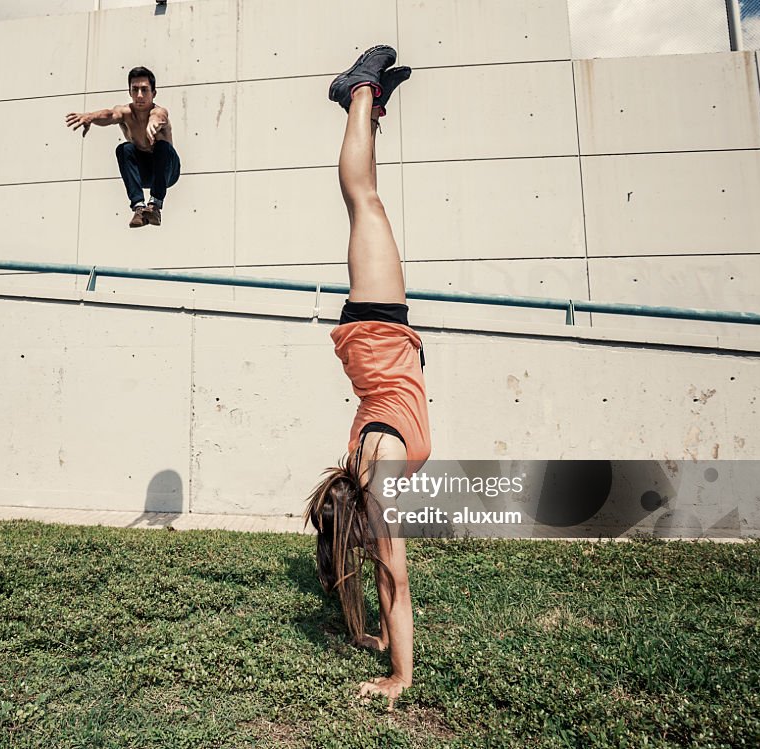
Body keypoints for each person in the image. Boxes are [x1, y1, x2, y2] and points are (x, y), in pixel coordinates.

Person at [303, 45, 424, 711]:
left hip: (378, 330)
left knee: (363, 198)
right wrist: (372, 637)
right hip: (377, 343)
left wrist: (399, 675)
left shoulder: (374, 461)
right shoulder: (363, 464)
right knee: (369, 204)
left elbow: (395, 579)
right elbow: (378, 579)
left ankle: (355, 92)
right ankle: (368, 104)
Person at [65, 66, 181, 228]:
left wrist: (153, 124)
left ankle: (155, 205)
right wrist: (90, 117)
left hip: (167, 172)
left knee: (162, 147)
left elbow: (160, 117)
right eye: (135, 90)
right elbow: (110, 115)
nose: (139, 95)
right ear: (130, 92)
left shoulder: (158, 111)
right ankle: (139, 207)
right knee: (124, 148)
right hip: (144, 174)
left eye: (144, 90)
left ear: (153, 93)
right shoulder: (126, 113)